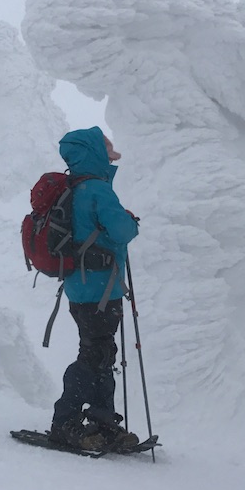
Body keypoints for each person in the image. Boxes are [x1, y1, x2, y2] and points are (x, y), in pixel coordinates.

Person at [49, 125, 141, 453]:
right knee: (95, 354)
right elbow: (121, 230)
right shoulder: (98, 191)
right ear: (96, 155)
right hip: (100, 290)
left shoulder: (75, 188)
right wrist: (131, 223)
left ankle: (102, 423)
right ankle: (66, 422)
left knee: (101, 354)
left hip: (83, 288)